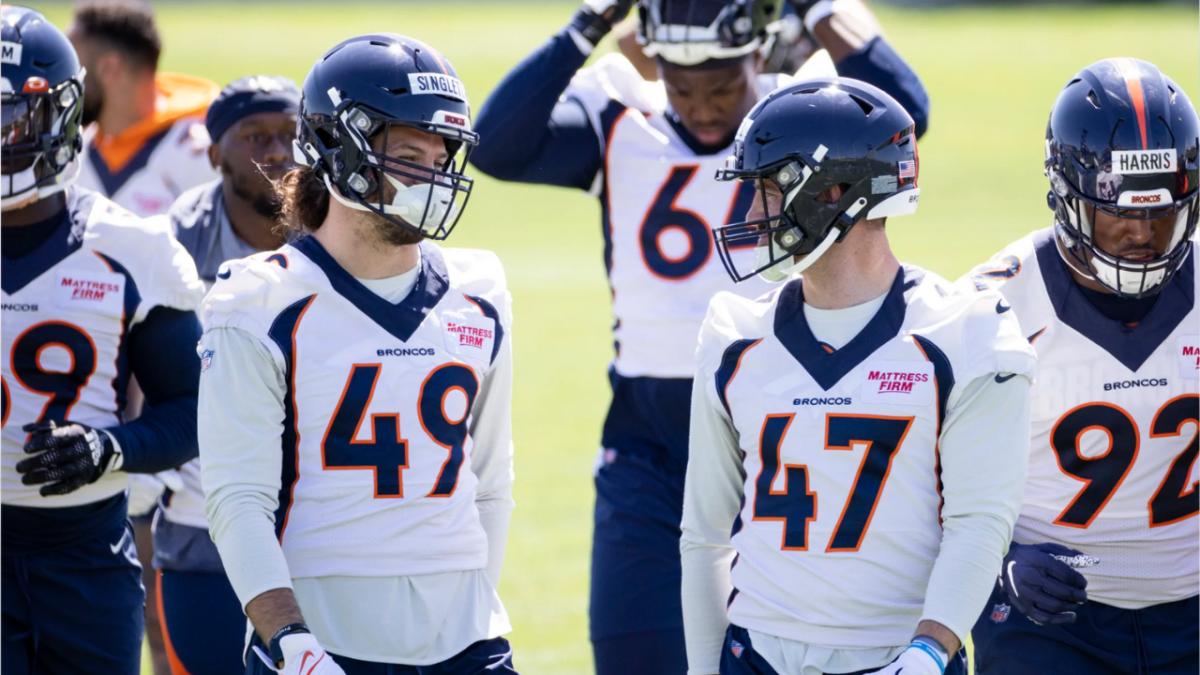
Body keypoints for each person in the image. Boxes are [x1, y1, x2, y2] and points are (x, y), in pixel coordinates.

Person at [470, 1, 929, 672]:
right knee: (633, 650)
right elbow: (498, 144)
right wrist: (586, 26)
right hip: (647, 433)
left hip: (772, 425)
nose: (704, 107)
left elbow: (905, 117)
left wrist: (817, 8)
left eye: (722, 87)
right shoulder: (621, 116)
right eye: (682, 87)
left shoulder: (794, 117)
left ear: (760, 55)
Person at [681, 77, 1035, 675]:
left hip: (899, 658)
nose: (750, 213)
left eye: (767, 190)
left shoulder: (961, 331)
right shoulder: (734, 333)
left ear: (835, 193)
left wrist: (927, 654)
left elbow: (979, 524)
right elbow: (704, 536)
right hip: (758, 655)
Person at [198, 34, 517, 675]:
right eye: (407, 154)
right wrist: (290, 640)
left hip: (469, 641)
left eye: (442, 153)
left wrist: (472, 604)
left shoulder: (479, 290)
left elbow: (489, 482)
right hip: (322, 641)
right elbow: (238, 500)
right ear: (337, 149)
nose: (433, 174)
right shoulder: (261, 299)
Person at [966, 58, 1198, 675]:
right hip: (1048, 615)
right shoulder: (994, 304)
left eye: (1160, 213)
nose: (1141, 234)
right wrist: (997, 558)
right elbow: (922, 474)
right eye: (1120, 212)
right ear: (1067, 197)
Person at [1, 7, 205, 674]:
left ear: (60, 115)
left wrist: (109, 447)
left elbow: (192, 408)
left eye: (12, 117)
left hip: (85, 551)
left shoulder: (131, 248)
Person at [154, 74, 301, 675]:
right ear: (214, 154)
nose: (275, 152)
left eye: (290, 135)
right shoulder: (173, 243)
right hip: (201, 508)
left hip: (312, 507)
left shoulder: (339, 225)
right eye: (254, 136)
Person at [68, 0, 218, 217]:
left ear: (109, 68)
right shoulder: (73, 154)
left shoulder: (202, 156)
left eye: (73, 65)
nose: (64, 81)